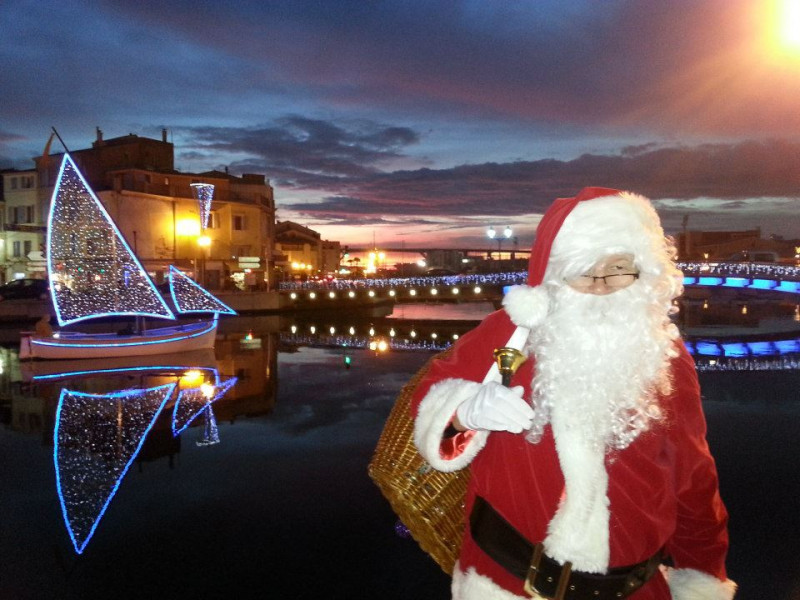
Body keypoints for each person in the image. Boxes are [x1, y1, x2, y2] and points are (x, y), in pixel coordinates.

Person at [411, 188, 735, 600]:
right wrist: (463, 412)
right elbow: (426, 404)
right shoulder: (509, 333)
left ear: (646, 272)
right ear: (554, 276)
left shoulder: (666, 358)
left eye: (619, 268)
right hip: (505, 584)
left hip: (633, 591)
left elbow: (693, 478)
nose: (600, 286)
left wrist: (702, 573)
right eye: (583, 271)